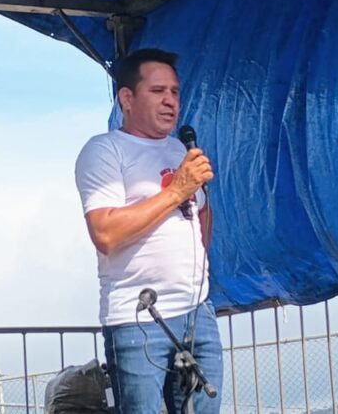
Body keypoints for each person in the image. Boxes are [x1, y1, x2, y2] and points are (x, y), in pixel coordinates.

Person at [74, 48, 223, 413]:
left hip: (197, 311)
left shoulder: (179, 149)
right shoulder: (105, 150)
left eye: (174, 92)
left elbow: (201, 217)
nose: (170, 101)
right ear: (127, 98)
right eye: (158, 91)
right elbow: (105, 233)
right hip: (138, 318)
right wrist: (177, 190)